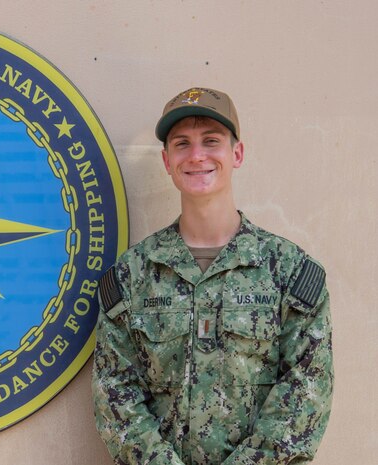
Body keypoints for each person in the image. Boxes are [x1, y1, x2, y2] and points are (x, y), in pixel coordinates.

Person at [92, 87, 333, 465]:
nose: (197, 155)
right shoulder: (132, 275)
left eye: (211, 141)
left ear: (236, 153)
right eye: (182, 143)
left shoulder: (288, 272)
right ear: (167, 160)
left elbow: (306, 392)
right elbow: (115, 395)